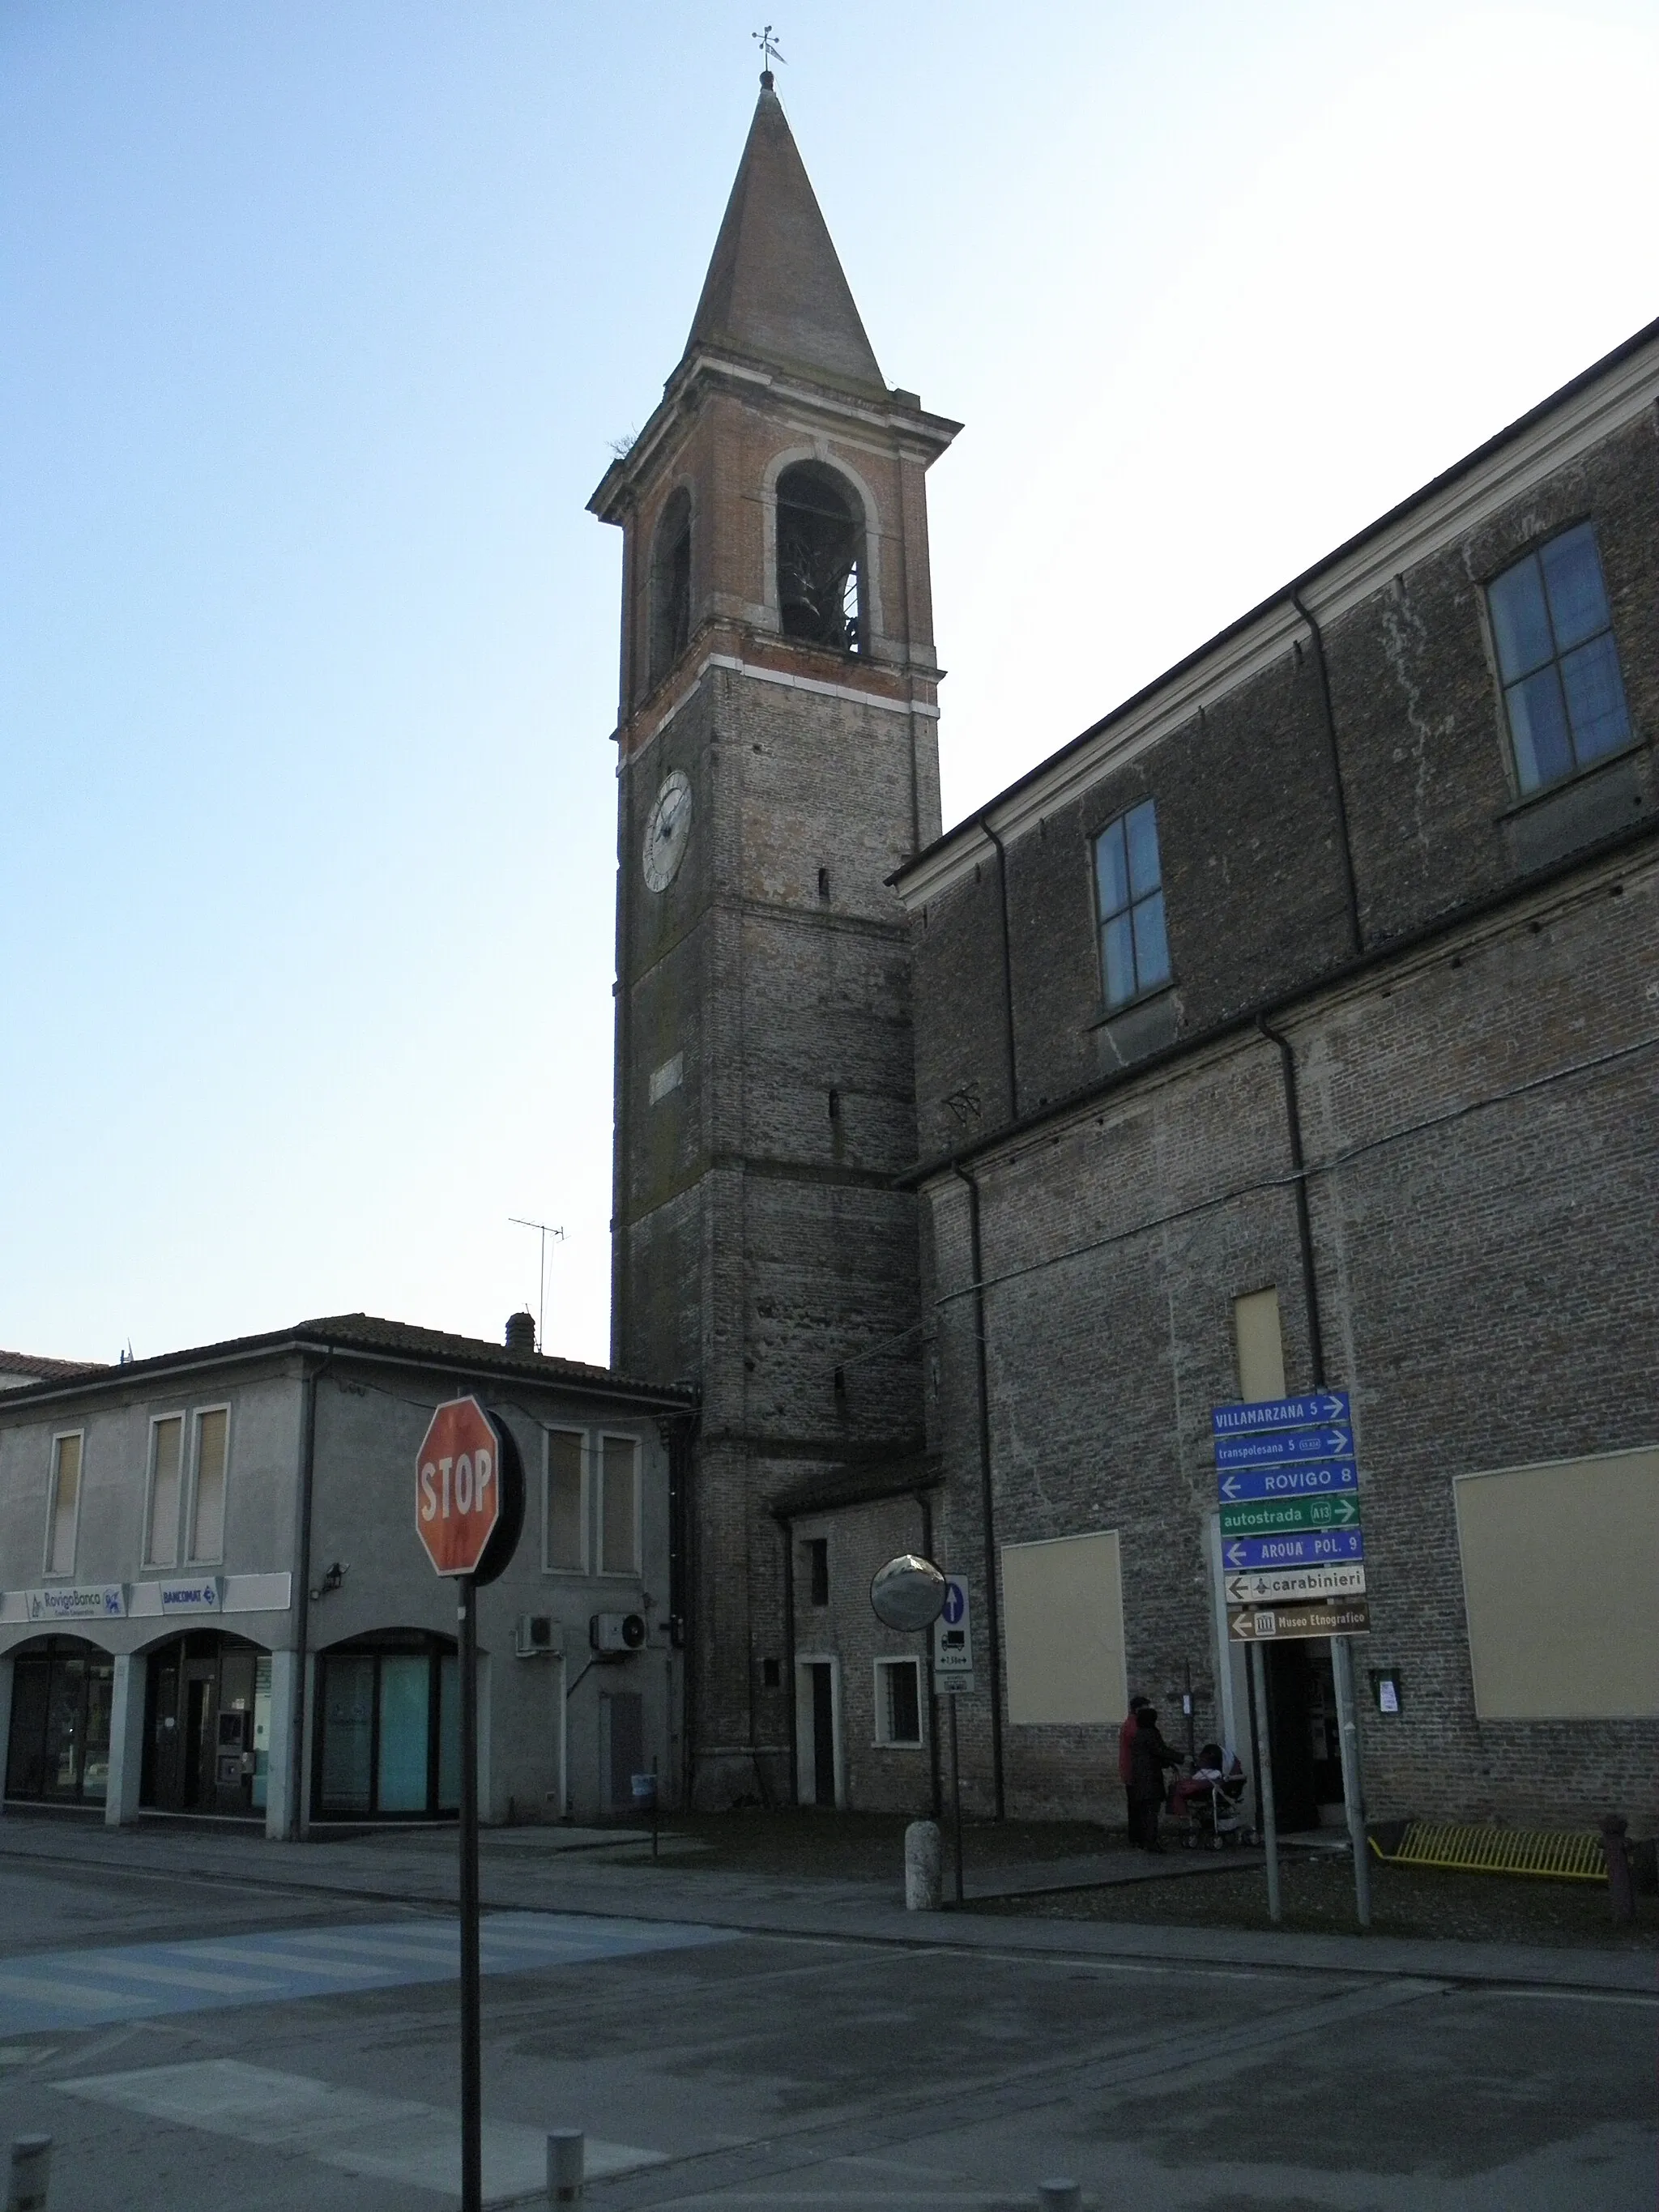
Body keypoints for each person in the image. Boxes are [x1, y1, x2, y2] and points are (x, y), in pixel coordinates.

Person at [1128, 1705, 1181, 1852]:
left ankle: (1146, 1840)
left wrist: (1167, 1762)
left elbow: (1152, 1754)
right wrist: (1180, 1758)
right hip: (1150, 1779)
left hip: (1141, 1778)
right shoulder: (1150, 1734)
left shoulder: (1139, 1735)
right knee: (1152, 1812)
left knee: (1145, 1812)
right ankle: (1151, 1842)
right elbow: (1160, 1751)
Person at [1118, 1694, 1150, 1837]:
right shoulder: (1134, 1726)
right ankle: (1138, 1836)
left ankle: (1137, 1836)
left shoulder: (1131, 1724)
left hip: (1131, 1769)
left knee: (1135, 1804)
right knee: (1138, 1805)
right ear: (1138, 1710)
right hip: (1134, 1770)